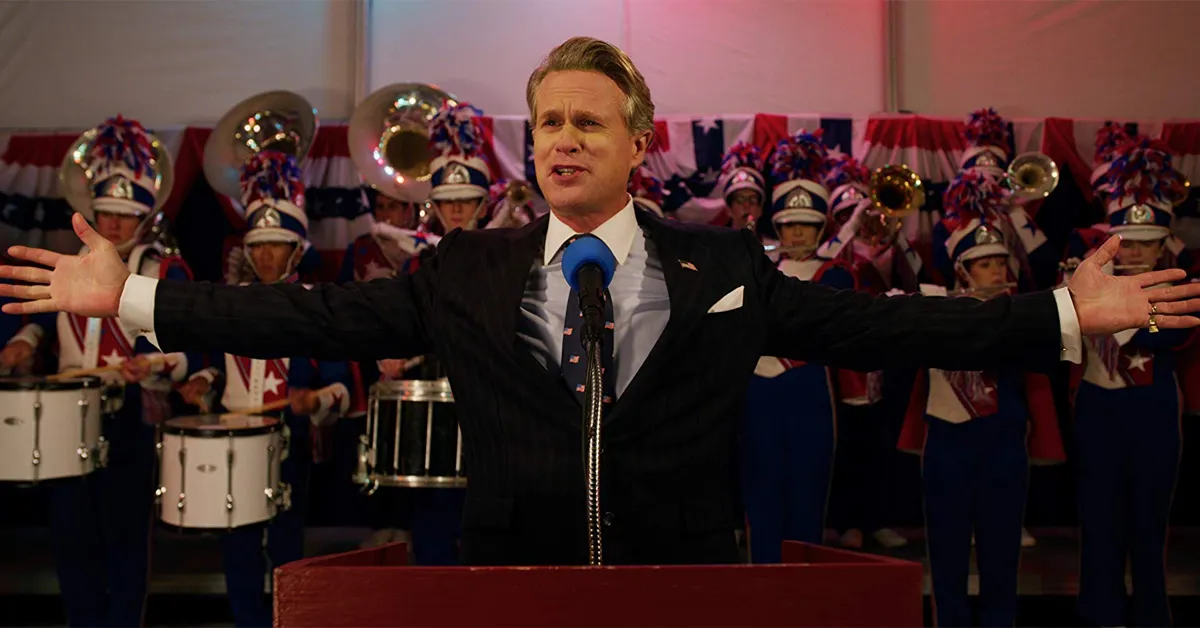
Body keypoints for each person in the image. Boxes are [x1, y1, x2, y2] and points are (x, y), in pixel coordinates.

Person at [3, 36, 1199, 568]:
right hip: (508, 577)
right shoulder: (464, 271)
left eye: (589, 119)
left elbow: (881, 325)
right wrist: (141, 296)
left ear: (638, 141)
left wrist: (1056, 320)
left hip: (681, 575)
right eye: (551, 122)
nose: (565, 138)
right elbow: (310, 324)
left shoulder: (724, 269)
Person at [175, 151, 351, 627]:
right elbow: (213, 364)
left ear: (296, 249)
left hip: (287, 444)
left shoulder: (318, 306)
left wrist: (317, 399)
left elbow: (340, 382)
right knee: (239, 550)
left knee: (288, 552)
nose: (266, 256)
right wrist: (203, 381)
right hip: (235, 442)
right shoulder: (228, 303)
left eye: (277, 246)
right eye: (259, 246)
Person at [897, 174, 1066, 627]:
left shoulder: (1022, 312)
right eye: (985, 263)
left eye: (999, 262)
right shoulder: (935, 306)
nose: (996, 271)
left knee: (1001, 550)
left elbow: (1049, 275)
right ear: (963, 270)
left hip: (1003, 443)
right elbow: (898, 285)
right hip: (948, 445)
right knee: (947, 553)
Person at [47, 116, 196, 626]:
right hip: (67, 412)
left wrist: (149, 364)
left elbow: (182, 356)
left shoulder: (161, 270)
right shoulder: (69, 268)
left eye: (123, 217)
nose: (111, 226)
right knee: (71, 531)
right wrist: (23, 343)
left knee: (125, 534)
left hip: (130, 412)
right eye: (105, 213)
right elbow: (47, 330)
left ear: (142, 220)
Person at [1064, 137, 1194, 627]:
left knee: (1148, 525)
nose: (1136, 251)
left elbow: (1165, 342)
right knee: (1097, 522)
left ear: (1166, 245)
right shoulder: (1085, 278)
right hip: (1098, 408)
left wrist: (1119, 315)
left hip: (1153, 412)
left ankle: (1151, 617)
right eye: (1128, 242)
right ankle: (1100, 615)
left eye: (1147, 242)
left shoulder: (1180, 285)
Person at [741, 131, 855, 563]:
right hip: (758, 391)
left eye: (807, 226)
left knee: (808, 492)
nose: (799, 233)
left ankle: (807, 592)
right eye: (791, 225)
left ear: (822, 228)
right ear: (779, 226)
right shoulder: (758, 266)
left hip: (808, 388)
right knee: (761, 490)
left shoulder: (835, 272)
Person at [817, 152, 907, 550]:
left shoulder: (882, 246)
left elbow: (913, 275)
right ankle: (846, 521)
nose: (861, 218)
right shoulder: (832, 250)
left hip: (881, 357)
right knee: (847, 445)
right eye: (849, 213)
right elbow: (824, 264)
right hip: (841, 361)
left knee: (881, 442)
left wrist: (894, 236)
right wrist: (851, 228)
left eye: (861, 210)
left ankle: (878, 518)